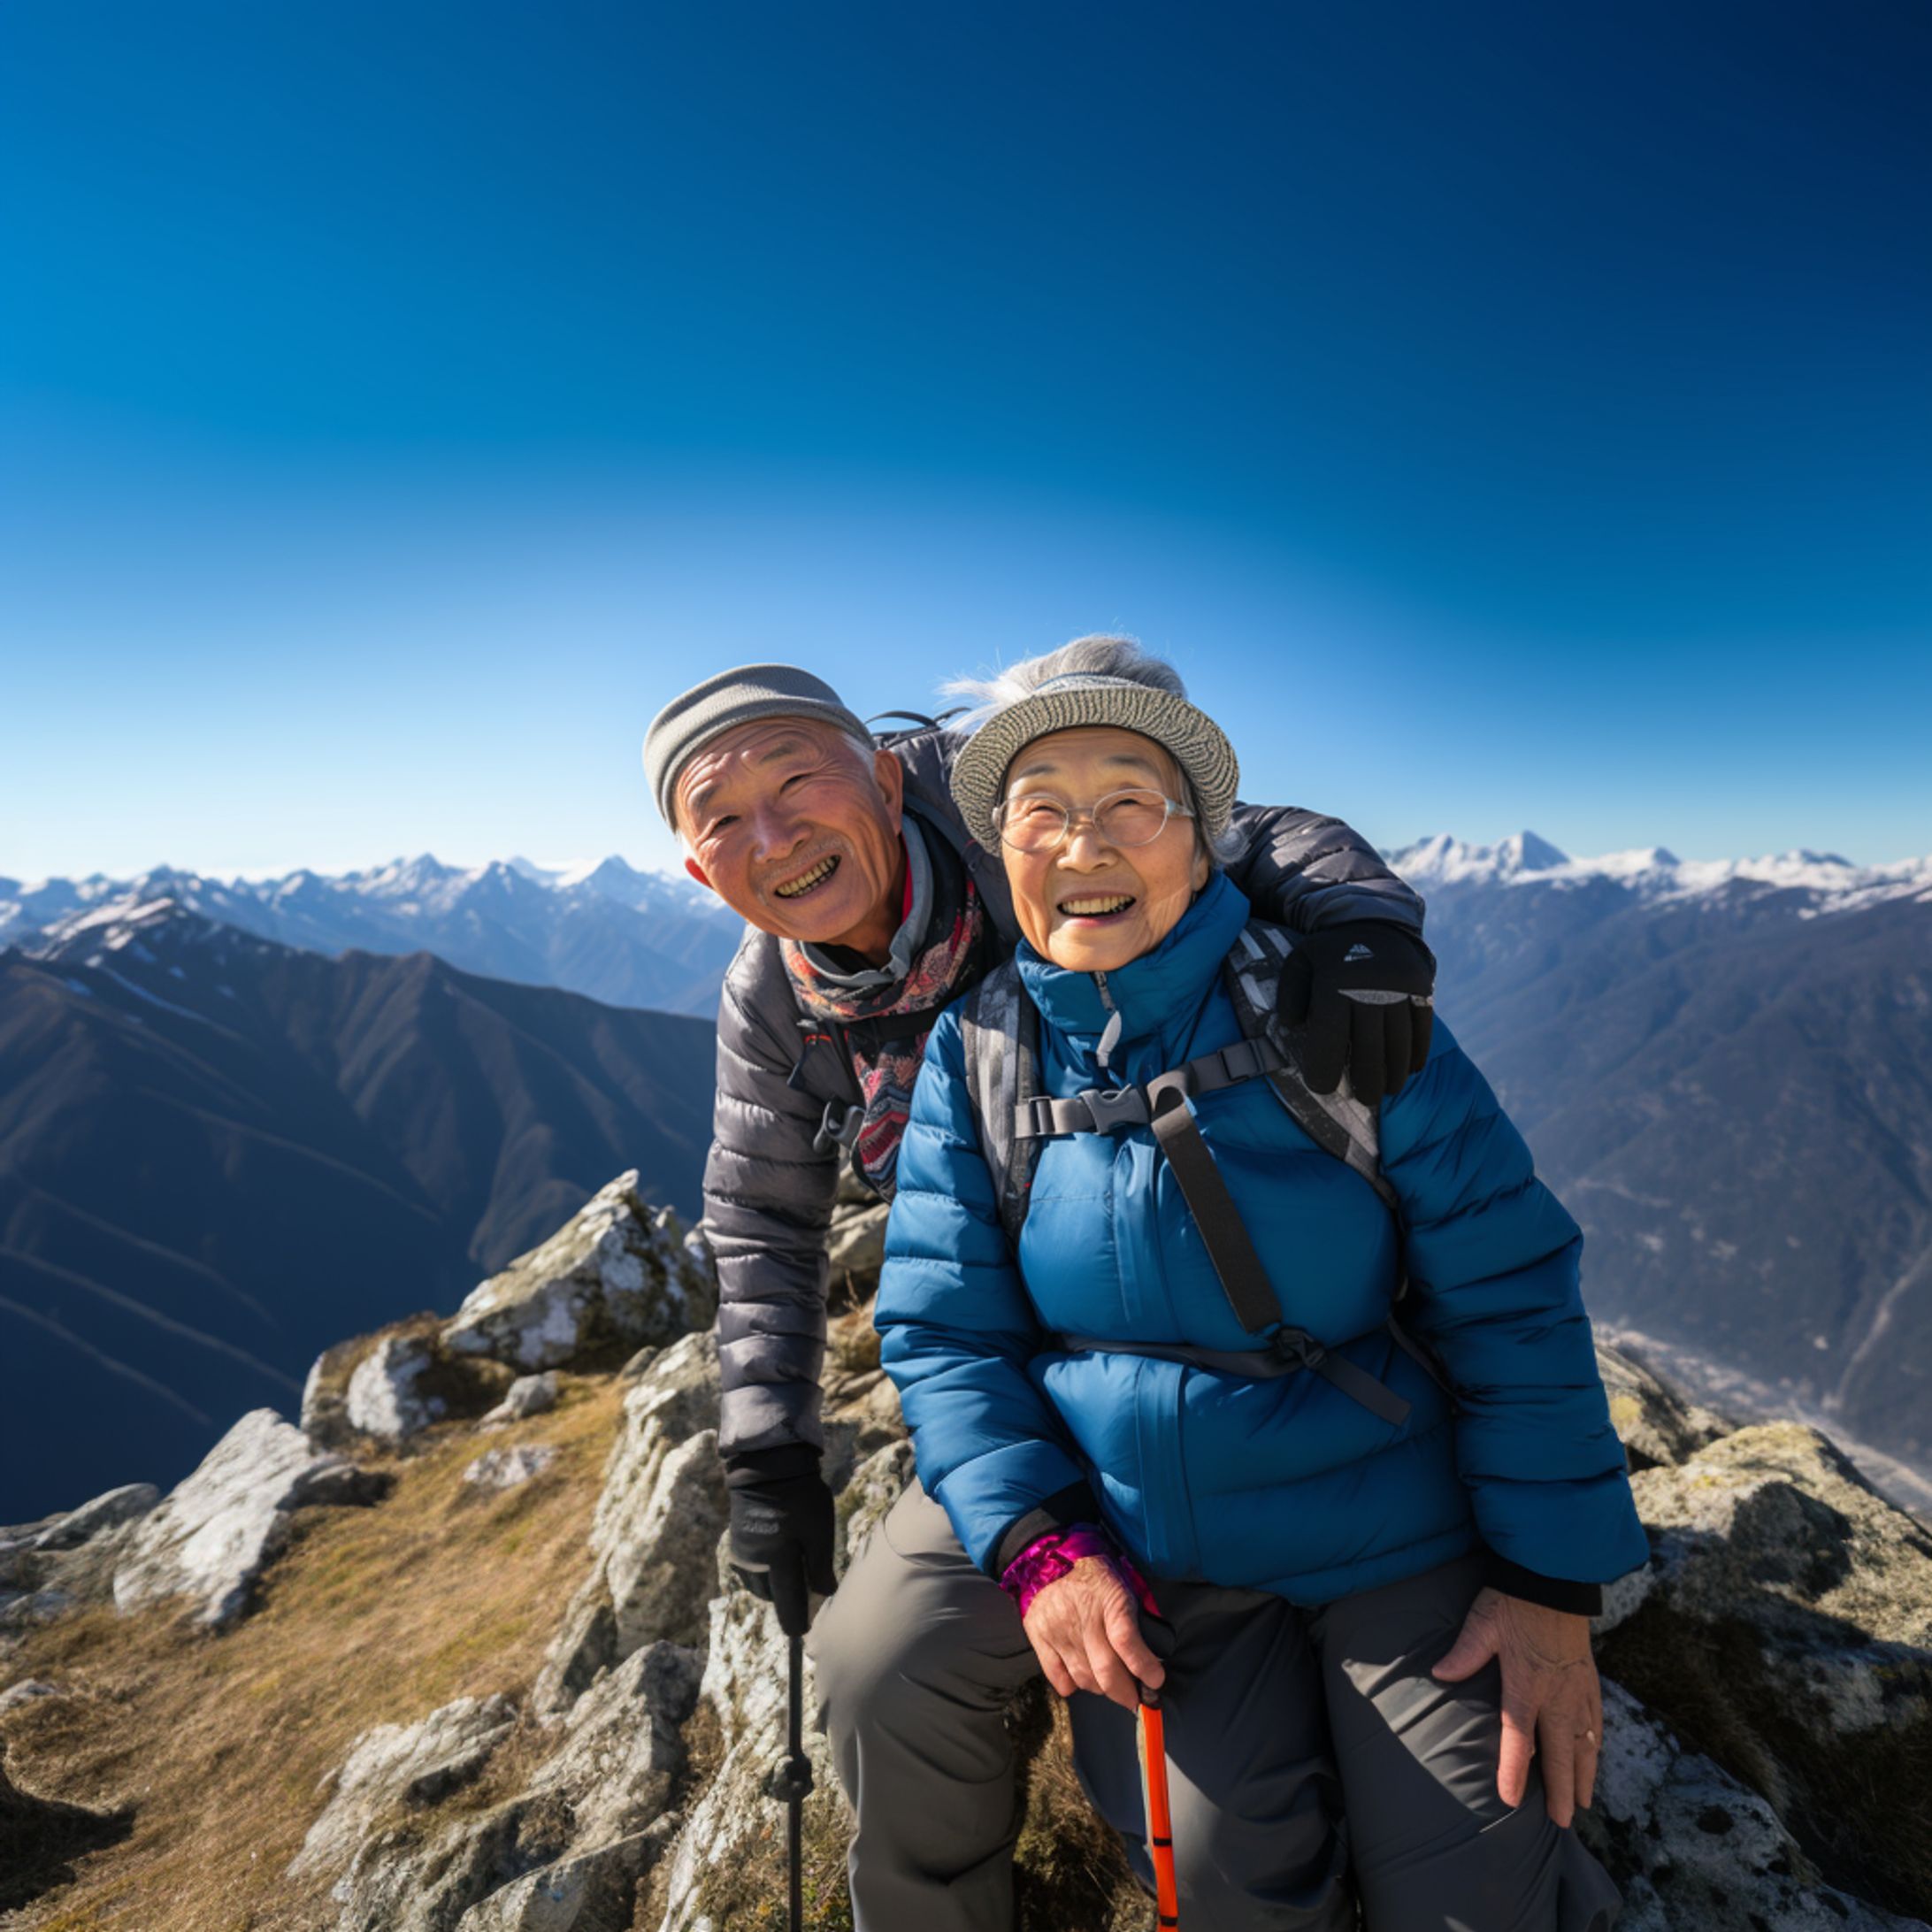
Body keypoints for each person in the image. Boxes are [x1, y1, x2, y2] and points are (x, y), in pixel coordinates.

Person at [820, 638, 1647, 1930]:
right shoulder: (980, 1056)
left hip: (1384, 1523)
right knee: (1215, 1885)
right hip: (1144, 1540)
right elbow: (944, 1332)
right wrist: (1044, 1548)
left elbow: (1510, 1285)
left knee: (1475, 1888)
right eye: (1041, 810)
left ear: (1204, 838)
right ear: (1002, 849)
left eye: (1129, 802)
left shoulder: (1334, 1017)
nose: (1084, 844)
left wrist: (1550, 1585)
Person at [640, 655, 1439, 1639]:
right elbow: (761, 1219)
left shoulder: (996, 793)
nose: (776, 837)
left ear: (885, 780)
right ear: (699, 870)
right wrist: (768, 1458)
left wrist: (1363, 927)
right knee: (885, 1663)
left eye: (798, 778)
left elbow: (1239, 831)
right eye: (722, 819)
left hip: (1204, 1220)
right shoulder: (771, 1002)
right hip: (1017, 1268)